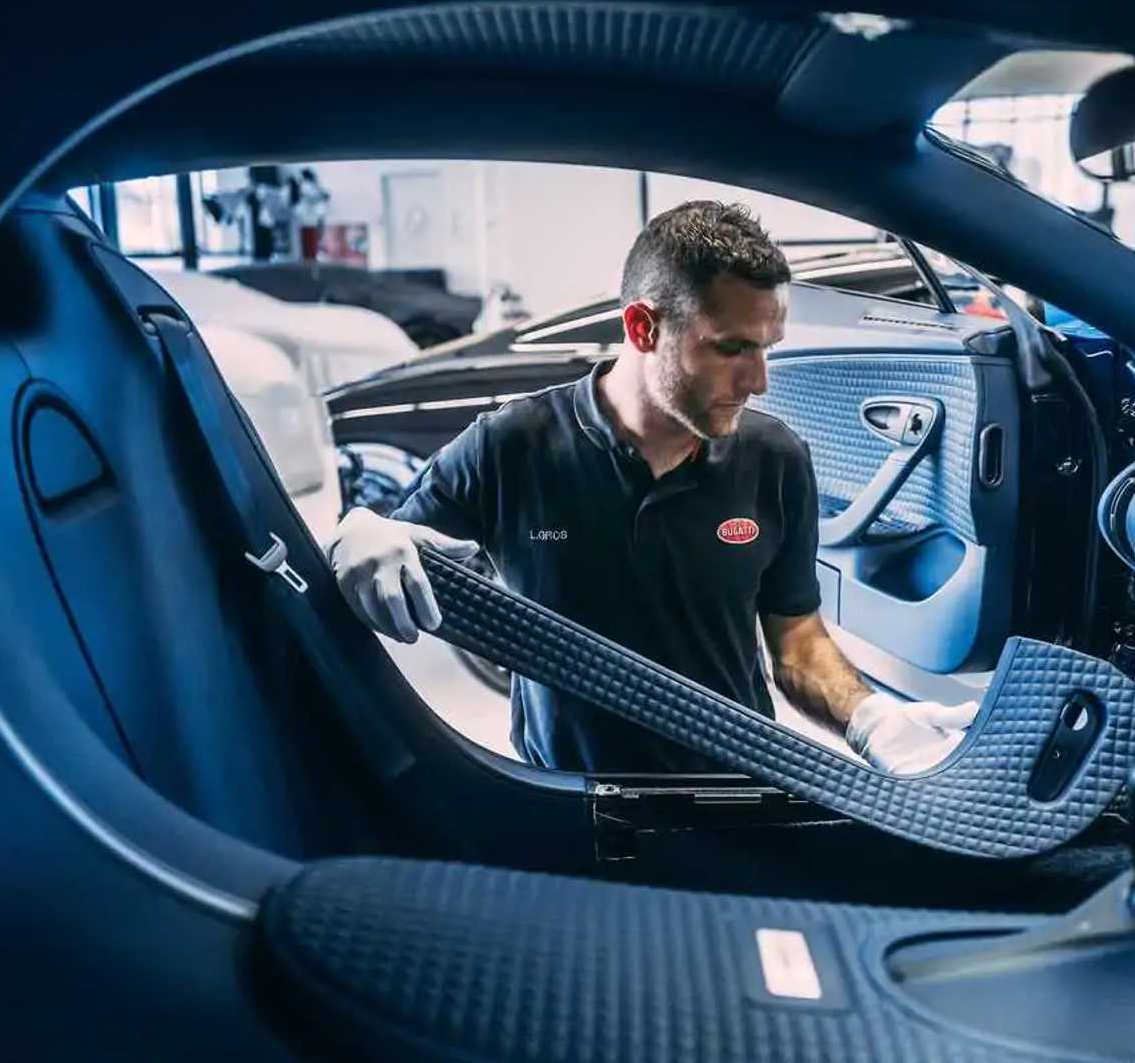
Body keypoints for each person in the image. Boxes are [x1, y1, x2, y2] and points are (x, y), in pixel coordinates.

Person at [326, 201, 977, 774]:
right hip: (574, 798)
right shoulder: (513, 445)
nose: (759, 380)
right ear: (643, 328)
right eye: (731, 349)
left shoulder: (774, 458)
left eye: (767, 348)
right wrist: (362, 532)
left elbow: (796, 642)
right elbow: (403, 543)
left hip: (738, 787)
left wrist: (871, 720)